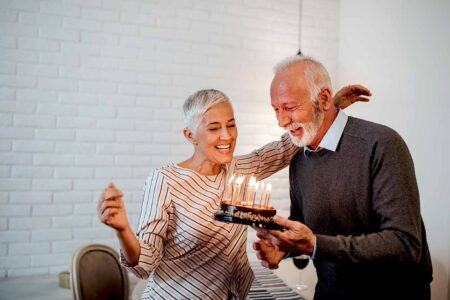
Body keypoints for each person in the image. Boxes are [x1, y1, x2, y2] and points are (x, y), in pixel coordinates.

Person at [97, 86, 369, 299]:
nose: (227, 136)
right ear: (190, 135)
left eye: (231, 124)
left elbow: (287, 146)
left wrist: (328, 106)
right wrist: (122, 229)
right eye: (214, 128)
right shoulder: (165, 180)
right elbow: (144, 264)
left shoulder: (240, 169)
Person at [253, 55, 433, 300]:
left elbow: (404, 243)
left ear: (325, 98)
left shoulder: (381, 144)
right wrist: (283, 247)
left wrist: (314, 244)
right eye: (276, 109)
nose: (282, 121)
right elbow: (308, 229)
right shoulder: (299, 160)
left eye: (290, 107)